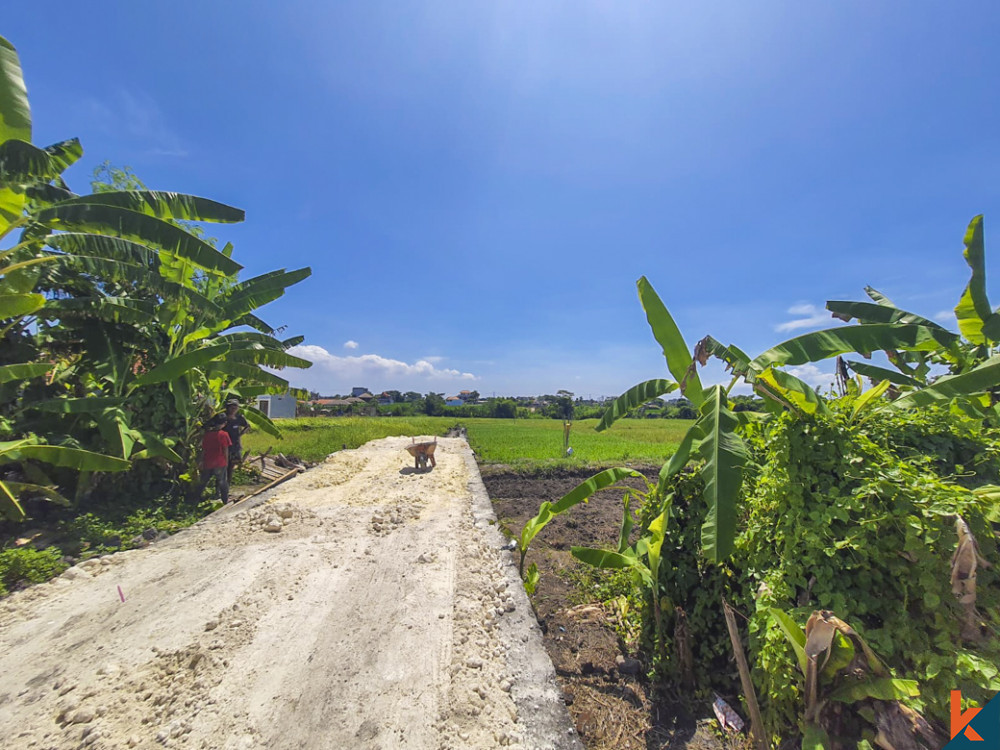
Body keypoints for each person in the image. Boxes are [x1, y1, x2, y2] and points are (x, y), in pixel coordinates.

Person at [199, 415, 232, 503]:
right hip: (220, 462)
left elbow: (203, 449)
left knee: (203, 481)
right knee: (222, 482)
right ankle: (225, 500)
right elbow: (225, 449)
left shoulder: (207, 434)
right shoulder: (224, 434)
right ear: (224, 424)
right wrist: (226, 462)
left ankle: (196, 498)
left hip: (208, 462)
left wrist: (201, 461)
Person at [223, 398, 250, 483]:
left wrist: (240, 434)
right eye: (231, 407)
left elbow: (247, 426)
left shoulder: (239, 418)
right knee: (222, 467)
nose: (233, 409)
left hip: (235, 445)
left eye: (235, 407)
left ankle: (227, 487)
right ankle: (219, 489)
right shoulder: (223, 417)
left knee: (231, 466)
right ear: (228, 407)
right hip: (224, 445)